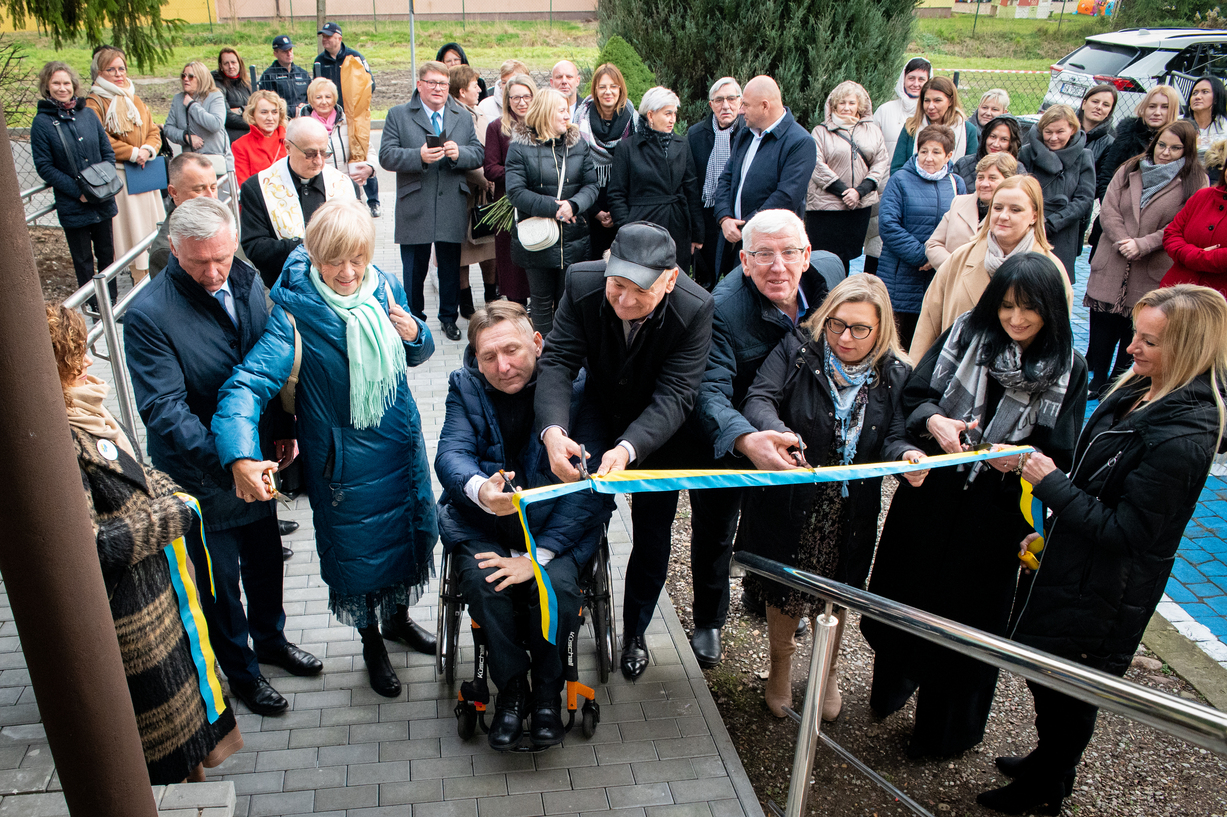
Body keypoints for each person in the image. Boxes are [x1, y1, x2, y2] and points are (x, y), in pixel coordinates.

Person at [977, 284, 1227, 815]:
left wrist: (1052, 487)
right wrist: (1051, 524)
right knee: (1051, 681)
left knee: (1069, 694)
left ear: (1186, 351)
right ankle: (1050, 762)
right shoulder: (1141, 390)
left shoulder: (1182, 438)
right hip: (1077, 569)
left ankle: (1047, 786)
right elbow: (1100, 482)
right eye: (1136, 335)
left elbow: (1127, 534)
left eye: (1150, 342)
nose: (1131, 348)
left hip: (1104, 594)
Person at [862, 253, 1088, 760]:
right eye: (1006, 306)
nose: (1015, 319)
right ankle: (893, 685)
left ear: (1050, 309)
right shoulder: (966, 332)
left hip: (998, 513)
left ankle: (944, 733)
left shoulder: (1070, 366)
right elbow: (916, 397)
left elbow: (1063, 452)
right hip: (935, 490)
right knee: (905, 594)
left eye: (1028, 309)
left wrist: (1024, 459)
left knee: (968, 627)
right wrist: (935, 421)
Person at [213, 199, 438, 698]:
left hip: (399, 448)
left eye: (356, 258)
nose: (348, 271)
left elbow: (417, 352)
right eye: (335, 260)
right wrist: (241, 454)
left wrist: (416, 332)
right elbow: (247, 384)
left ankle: (398, 621)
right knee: (358, 556)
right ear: (314, 255)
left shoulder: (382, 284)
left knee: (405, 537)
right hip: (344, 462)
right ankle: (372, 643)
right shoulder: (293, 311)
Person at [125, 197, 321, 717]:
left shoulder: (246, 276)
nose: (214, 273)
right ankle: (241, 671)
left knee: (264, 561)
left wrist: (281, 430)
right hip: (201, 473)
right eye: (198, 263)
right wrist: (230, 460)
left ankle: (272, 641)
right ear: (174, 250)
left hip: (255, 458)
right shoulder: (148, 316)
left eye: (222, 258)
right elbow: (164, 411)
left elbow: (267, 361)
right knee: (220, 582)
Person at [49, 302, 243, 783]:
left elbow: (133, 472)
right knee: (165, 758)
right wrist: (174, 512)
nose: (89, 365)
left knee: (187, 746)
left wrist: (176, 491)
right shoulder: (61, 441)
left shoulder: (85, 413)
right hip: (132, 619)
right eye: (77, 359)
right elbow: (88, 544)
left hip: (157, 603)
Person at [535, 222, 714, 680]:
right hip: (596, 408)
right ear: (608, 264)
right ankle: (562, 606)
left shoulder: (695, 308)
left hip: (657, 431)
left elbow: (677, 393)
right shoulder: (581, 281)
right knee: (575, 503)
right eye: (617, 286)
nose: (625, 302)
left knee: (653, 537)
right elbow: (557, 360)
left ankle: (635, 632)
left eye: (641, 292)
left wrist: (630, 447)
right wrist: (554, 430)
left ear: (670, 281)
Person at [435, 302, 616, 751]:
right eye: (488, 357)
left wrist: (537, 558)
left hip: (558, 532)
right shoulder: (465, 386)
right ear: (474, 360)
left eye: (512, 350)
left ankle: (548, 694)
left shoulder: (578, 389)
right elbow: (451, 454)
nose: (503, 366)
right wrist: (481, 489)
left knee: (552, 586)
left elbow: (591, 488)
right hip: (487, 526)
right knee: (484, 582)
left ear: (537, 343)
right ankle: (513, 690)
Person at [736, 274, 914, 722]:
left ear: (882, 329)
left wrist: (908, 454)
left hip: (850, 509)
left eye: (859, 329)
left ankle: (827, 672)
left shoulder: (894, 372)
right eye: (836, 324)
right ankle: (780, 669)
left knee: (837, 592)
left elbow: (893, 435)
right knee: (785, 590)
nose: (844, 338)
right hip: (792, 501)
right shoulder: (797, 349)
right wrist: (775, 432)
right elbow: (759, 398)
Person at [690, 209, 842, 669]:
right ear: (744, 259)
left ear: (807, 254)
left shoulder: (830, 280)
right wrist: (745, 439)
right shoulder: (721, 308)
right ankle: (708, 619)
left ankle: (768, 597)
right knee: (716, 528)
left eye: (789, 253)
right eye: (763, 255)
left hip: (794, 435)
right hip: (732, 435)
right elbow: (709, 391)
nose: (778, 266)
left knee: (781, 522)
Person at [1086, 120, 1206, 397]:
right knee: (1102, 322)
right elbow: (1110, 207)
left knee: (1138, 326)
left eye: (1175, 148)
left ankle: (1122, 380)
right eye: (1162, 144)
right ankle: (1098, 378)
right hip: (1114, 256)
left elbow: (1183, 221)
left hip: (1150, 262)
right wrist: (1121, 240)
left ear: (1187, 150)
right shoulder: (1130, 168)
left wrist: (1143, 244)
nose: (1165, 152)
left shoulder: (1194, 180)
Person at [379, 60, 485, 342]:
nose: (438, 89)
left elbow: (478, 152)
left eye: (443, 84)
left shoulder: (461, 116)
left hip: (452, 201)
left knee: (450, 266)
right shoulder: (398, 115)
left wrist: (459, 152)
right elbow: (386, 156)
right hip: (416, 202)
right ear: (420, 85)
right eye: (432, 83)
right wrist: (419, 156)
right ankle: (413, 319)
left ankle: (448, 319)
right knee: (414, 268)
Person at [913, 175, 1072, 360]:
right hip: (954, 375)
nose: (1003, 216)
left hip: (1018, 381)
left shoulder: (1052, 270)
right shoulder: (960, 258)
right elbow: (928, 322)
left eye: (1015, 209)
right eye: (997, 208)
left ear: (1034, 216)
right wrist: (914, 378)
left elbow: (1057, 339)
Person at [505, 88, 599, 336]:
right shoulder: (519, 148)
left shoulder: (578, 144)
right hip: (538, 240)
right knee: (541, 304)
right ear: (546, 113)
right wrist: (556, 209)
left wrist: (574, 205)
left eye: (568, 109)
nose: (568, 115)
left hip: (574, 239)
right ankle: (544, 355)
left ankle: (566, 358)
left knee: (569, 303)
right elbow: (515, 192)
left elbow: (591, 185)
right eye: (561, 110)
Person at [712, 75, 817, 279]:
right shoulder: (746, 133)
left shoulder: (800, 142)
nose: (740, 111)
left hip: (769, 246)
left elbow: (786, 197)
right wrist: (724, 218)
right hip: (733, 239)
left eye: (746, 105)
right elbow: (726, 178)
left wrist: (746, 227)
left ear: (765, 106)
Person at [31, 60, 117, 306]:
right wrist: (77, 191)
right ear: (47, 86)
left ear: (73, 85)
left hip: (101, 199)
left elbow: (107, 153)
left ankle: (112, 302)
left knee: (106, 254)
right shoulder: (42, 124)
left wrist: (103, 184)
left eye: (66, 83)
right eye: (56, 83)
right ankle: (94, 306)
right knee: (83, 260)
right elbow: (45, 167)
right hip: (74, 203)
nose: (62, 88)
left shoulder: (87, 114)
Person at [239, 116, 357, 288]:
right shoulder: (258, 188)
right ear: (288, 147)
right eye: (309, 154)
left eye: (324, 153)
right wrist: (307, 246)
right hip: (284, 287)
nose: (318, 161)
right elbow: (255, 247)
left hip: (339, 286)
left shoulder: (344, 184)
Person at [877, 124, 965, 349]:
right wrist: (923, 256)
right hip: (902, 275)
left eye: (936, 152)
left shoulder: (956, 184)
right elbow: (888, 225)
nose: (928, 158)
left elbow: (962, 226)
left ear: (948, 155)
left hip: (938, 275)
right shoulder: (900, 180)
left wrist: (939, 258)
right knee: (897, 341)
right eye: (924, 151)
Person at [85, 46, 164, 284]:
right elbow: (99, 138)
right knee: (134, 234)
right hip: (122, 175)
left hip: (145, 172)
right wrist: (131, 152)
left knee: (153, 230)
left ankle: (157, 273)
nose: (119, 74)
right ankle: (140, 280)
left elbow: (153, 130)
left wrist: (148, 149)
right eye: (111, 69)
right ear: (99, 72)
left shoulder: (134, 97)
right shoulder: (95, 101)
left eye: (122, 68)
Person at [607, 86, 703, 273]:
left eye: (674, 113)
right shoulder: (627, 148)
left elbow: (691, 190)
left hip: (676, 225)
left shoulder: (681, 144)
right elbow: (616, 194)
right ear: (650, 115)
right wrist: (627, 228)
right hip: (641, 225)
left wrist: (697, 234)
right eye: (667, 113)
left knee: (674, 280)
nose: (673, 119)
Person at [805, 80, 889, 275]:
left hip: (857, 208)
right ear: (833, 105)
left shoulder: (873, 131)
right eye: (842, 103)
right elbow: (816, 163)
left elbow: (880, 161)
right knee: (823, 258)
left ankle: (841, 295)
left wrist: (860, 192)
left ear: (859, 105)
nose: (846, 107)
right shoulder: (820, 132)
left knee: (846, 257)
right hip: (826, 209)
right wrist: (844, 191)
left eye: (851, 103)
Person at [866, 57, 933, 276]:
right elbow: (872, 145)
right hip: (885, 184)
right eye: (911, 77)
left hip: (919, 190)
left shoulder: (929, 114)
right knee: (878, 243)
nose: (915, 83)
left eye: (921, 79)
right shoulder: (886, 111)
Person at [1017, 104, 1096, 282]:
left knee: (1055, 284)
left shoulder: (1083, 156)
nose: (1053, 138)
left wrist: (1052, 222)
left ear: (1072, 129)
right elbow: (1019, 189)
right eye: (1048, 132)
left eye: (1060, 132)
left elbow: (1084, 199)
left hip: (1062, 232)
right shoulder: (1027, 153)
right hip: (1029, 227)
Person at [314, 22, 380, 217]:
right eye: (323, 37)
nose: (325, 40)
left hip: (354, 115)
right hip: (333, 115)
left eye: (328, 36)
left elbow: (369, 83)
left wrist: (355, 106)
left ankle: (374, 200)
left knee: (362, 156)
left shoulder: (355, 57)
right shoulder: (319, 61)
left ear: (339, 38)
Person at [574, 63, 640, 260]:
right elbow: (575, 165)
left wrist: (616, 210)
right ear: (594, 89)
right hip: (590, 201)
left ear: (621, 89)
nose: (608, 92)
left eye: (613, 86)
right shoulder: (581, 117)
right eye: (602, 87)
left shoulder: (634, 120)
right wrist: (595, 211)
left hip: (624, 203)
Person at [451, 63, 499, 314]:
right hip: (466, 194)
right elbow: (459, 156)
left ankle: (491, 295)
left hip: (486, 195)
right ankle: (466, 303)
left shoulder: (478, 113)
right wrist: (485, 180)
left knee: (488, 245)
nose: (479, 90)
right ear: (461, 91)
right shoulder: (454, 116)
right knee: (464, 253)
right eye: (474, 86)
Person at [688, 77, 745, 290]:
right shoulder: (696, 134)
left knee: (736, 279)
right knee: (705, 280)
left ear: (740, 102)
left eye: (731, 98)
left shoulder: (749, 133)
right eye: (719, 100)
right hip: (707, 218)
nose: (726, 105)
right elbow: (691, 183)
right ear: (711, 104)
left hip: (739, 219)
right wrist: (696, 229)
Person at [485, 75, 535, 307]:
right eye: (515, 97)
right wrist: (518, 174)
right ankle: (516, 308)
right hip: (507, 205)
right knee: (511, 263)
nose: (521, 102)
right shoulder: (497, 127)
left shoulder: (542, 125)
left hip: (538, 203)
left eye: (526, 96)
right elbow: (491, 169)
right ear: (507, 99)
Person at [926, 152, 1020, 271]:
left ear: (1008, 180)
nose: (984, 184)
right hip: (952, 281)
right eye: (980, 177)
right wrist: (956, 270)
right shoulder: (958, 203)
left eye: (992, 178)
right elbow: (933, 244)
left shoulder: (1016, 214)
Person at [1161, 141, 1227, 300]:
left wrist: (1201, 258)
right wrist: (1194, 255)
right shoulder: (1203, 196)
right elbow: (1171, 234)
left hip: (1218, 303)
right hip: (1177, 294)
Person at [1096, 85, 1181, 203]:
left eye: (1165, 107)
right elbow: (1107, 176)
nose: (1157, 112)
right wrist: (1110, 211)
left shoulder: (1180, 142)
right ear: (1144, 108)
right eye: (1152, 106)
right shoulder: (1127, 135)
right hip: (1117, 209)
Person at [297, 77, 375, 200]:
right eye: (318, 97)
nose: (324, 102)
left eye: (328, 97)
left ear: (335, 98)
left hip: (351, 192)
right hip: (320, 194)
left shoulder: (350, 122)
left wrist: (370, 168)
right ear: (311, 100)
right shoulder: (302, 127)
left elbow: (369, 150)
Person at [149, 152, 219, 275]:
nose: (211, 197)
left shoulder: (221, 221)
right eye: (199, 189)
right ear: (174, 192)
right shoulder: (167, 251)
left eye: (213, 188)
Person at [890, 76, 978, 174]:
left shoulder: (968, 131)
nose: (931, 106)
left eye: (937, 100)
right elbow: (897, 169)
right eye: (927, 101)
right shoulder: (911, 127)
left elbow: (971, 172)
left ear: (951, 101)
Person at [164, 60, 233, 176]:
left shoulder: (215, 96)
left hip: (216, 164)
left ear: (201, 78)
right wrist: (186, 137)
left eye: (191, 76)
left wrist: (192, 105)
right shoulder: (178, 99)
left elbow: (216, 124)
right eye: (183, 75)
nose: (186, 79)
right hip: (191, 166)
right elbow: (168, 129)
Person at [232, 90, 289, 187]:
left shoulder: (290, 140)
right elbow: (244, 185)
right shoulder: (240, 145)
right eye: (264, 112)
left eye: (274, 112)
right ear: (252, 114)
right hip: (259, 198)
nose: (270, 117)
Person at [951, 115, 1021, 192]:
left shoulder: (1018, 169)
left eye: (1004, 139)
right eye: (993, 137)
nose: (995, 144)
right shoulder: (963, 164)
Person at [258, 35, 312, 117]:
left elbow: (312, 96)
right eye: (284, 51)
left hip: (304, 118)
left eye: (290, 50)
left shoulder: (302, 73)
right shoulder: (268, 76)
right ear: (275, 54)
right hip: (282, 119)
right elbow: (267, 102)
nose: (289, 54)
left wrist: (305, 107)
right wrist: (292, 111)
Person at [1185, 75, 1227, 169]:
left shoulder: (1225, 127)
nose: (1198, 97)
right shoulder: (1178, 124)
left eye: (1205, 92)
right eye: (1194, 93)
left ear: (1216, 98)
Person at [214, 48, 252, 145]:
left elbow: (257, 109)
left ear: (239, 63)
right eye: (226, 63)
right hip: (231, 138)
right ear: (220, 66)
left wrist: (239, 110)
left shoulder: (247, 83)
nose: (230, 66)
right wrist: (253, 122)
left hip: (250, 136)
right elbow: (226, 115)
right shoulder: (217, 85)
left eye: (233, 62)